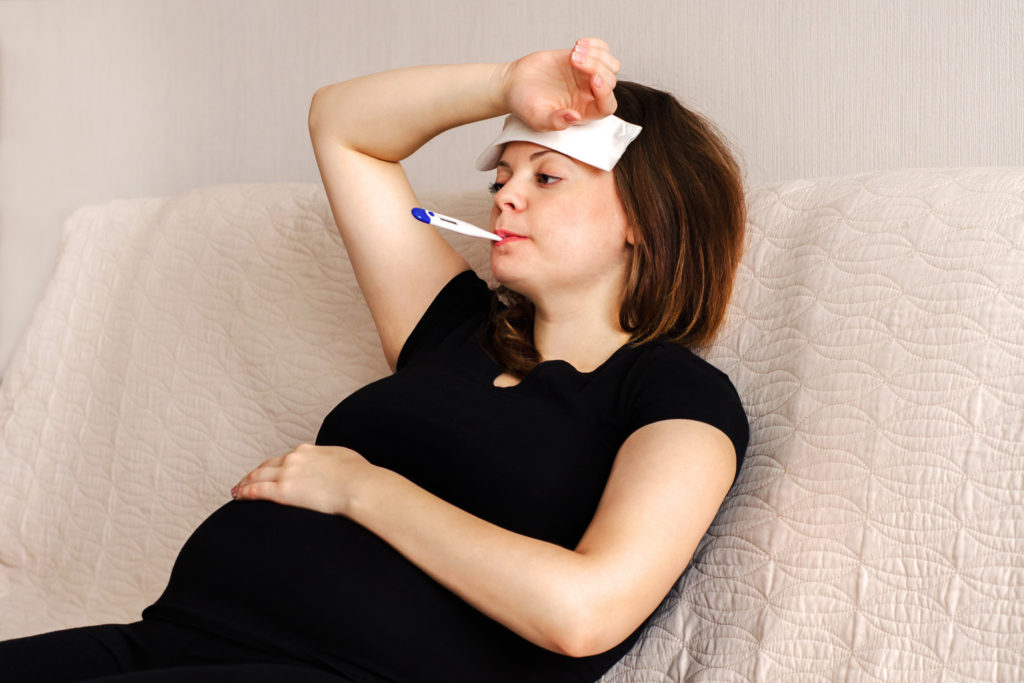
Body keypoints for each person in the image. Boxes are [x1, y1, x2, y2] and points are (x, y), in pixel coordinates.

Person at [0, 38, 747, 682]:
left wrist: (361, 488)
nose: (505, 198)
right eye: (501, 177)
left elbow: (584, 613)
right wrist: (504, 84)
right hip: (171, 638)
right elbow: (341, 125)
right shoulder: (458, 330)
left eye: (544, 177)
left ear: (648, 218)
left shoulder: (677, 396)